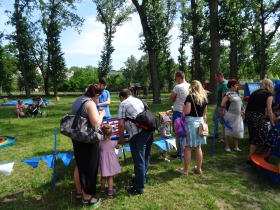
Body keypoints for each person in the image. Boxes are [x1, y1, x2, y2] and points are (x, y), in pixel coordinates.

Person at [72, 84, 105, 208]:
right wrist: (101, 114)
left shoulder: (77, 100)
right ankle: (88, 198)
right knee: (90, 167)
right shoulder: (90, 103)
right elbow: (96, 123)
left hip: (77, 137)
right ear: (96, 95)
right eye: (99, 97)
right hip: (88, 140)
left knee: (80, 165)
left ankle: (79, 192)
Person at [118, 89, 154, 194]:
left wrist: (121, 138)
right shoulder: (139, 100)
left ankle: (138, 187)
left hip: (138, 134)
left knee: (139, 160)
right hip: (150, 130)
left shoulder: (123, 104)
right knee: (146, 156)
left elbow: (121, 124)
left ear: (121, 97)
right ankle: (142, 178)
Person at [176, 80, 208, 175]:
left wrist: (183, 108)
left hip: (190, 123)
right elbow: (204, 114)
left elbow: (187, 111)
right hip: (200, 122)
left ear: (191, 87)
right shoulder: (204, 98)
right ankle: (199, 168)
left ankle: (185, 170)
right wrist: (204, 125)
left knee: (188, 147)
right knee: (198, 147)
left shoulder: (190, 97)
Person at [245, 79, 275, 164]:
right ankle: (251, 158)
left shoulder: (255, 92)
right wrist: (272, 121)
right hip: (257, 115)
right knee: (260, 135)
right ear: (270, 85)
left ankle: (255, 156)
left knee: (254, 134)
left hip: (249, 114)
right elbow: (269, 109)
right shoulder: (268, 94)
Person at [219, 79, 245, 152]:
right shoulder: (228, 94)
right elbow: (222, 104)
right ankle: (227, 146)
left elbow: (241, 103)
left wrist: (243, 109)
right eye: (236, 85)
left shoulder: (236, 94)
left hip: (238, 115)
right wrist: (224, 110)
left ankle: (236, 146)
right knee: (228, 130)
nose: (237, 86)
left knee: (237, 130)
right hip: (230, 115)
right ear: (232, 86)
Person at [169, 71, 190, 158]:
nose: (175, 80)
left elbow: (170, 99)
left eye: (175, 79)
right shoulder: (189, 86)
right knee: (186, 130)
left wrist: (175, 98)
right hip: (187, 110)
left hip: (178, 111)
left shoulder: (177, 87)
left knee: (178, 131)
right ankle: (186, 149)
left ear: (178, 77)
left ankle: (180, 152)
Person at [99, 124, 121, 196]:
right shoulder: (114, 142)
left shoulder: (100, 143)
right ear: (111, 133)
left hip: (103, 161)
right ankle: (110, 190)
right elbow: (118, 148)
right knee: (110, 176)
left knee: (103, 175)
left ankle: (102, 188)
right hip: (111, 161)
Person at [211, 71, 229, 142]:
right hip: (218, 105)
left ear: (219, 76)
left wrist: (222, 109)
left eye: (215, 77)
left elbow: (224, 97)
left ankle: (224, 137)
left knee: (223, 121)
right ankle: (216, 134)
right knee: (214, 118)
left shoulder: (224, 84)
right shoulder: (221, 84)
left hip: (221, 106)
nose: (214, 78)